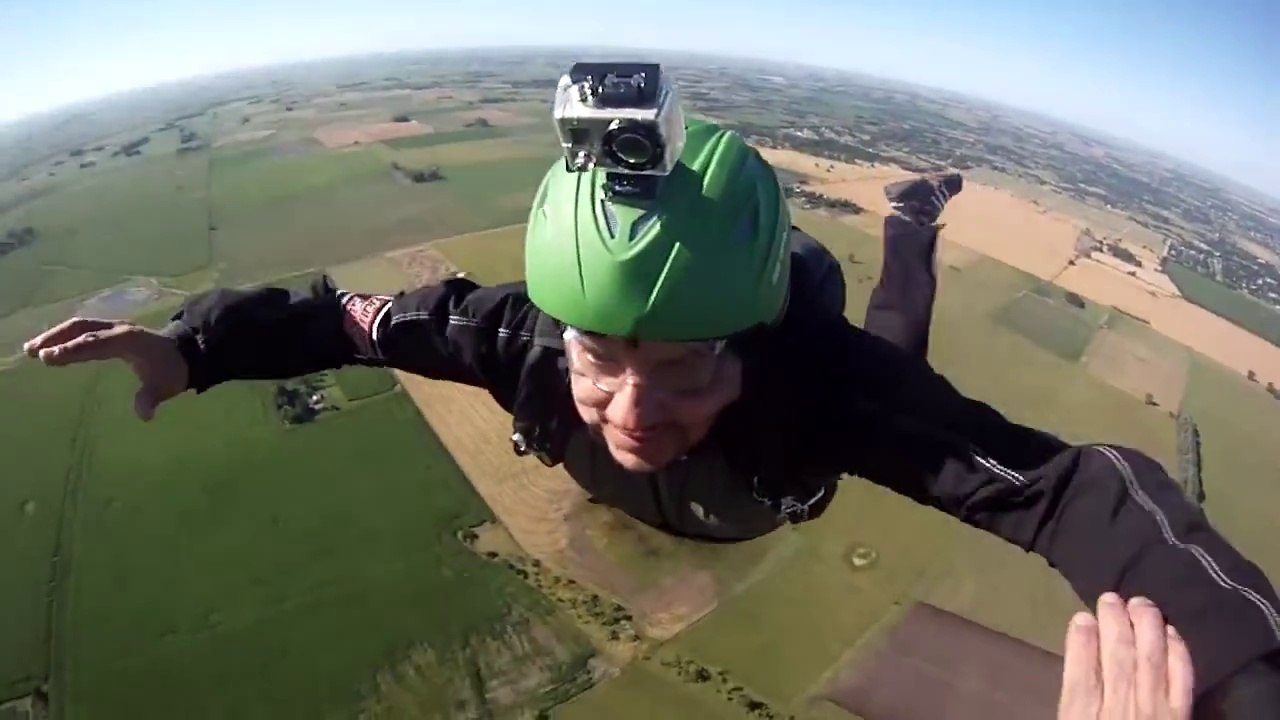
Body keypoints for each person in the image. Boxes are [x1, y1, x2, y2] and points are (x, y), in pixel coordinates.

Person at [22, 119, 1280, 716]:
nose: (631, 408)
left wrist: (1247, 682)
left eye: (684, 371)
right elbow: (341, 318)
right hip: (737, 477)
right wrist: (194, 347)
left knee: (897, 327)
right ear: (556, 329)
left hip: (805, 435)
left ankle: (908, 215)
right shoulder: (505, 336)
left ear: (749, 349)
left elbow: (1069, 487)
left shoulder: (820, 386)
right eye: (598, 360)